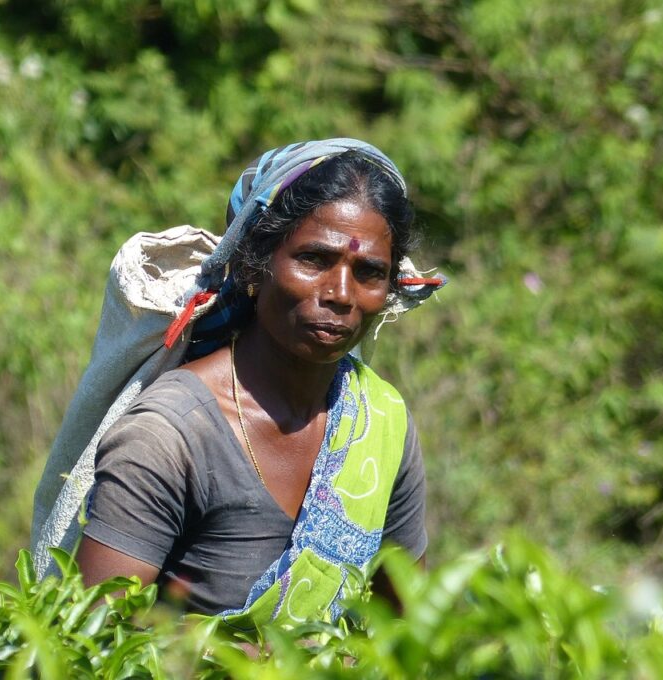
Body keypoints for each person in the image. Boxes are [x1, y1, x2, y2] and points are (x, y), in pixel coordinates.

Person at [74, 139, 443, 628]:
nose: (339, 294)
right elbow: (89, 646)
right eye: (313, 259)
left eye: (369, 272)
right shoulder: (169, 437)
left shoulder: (380, 421)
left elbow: (405, 633)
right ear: (254, 264)